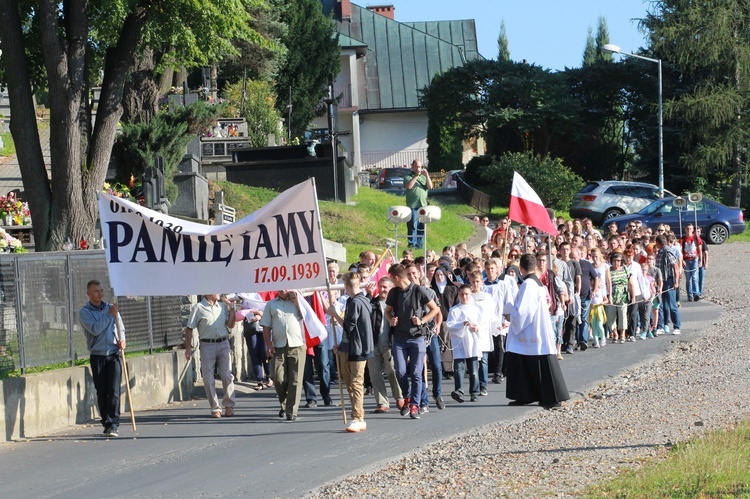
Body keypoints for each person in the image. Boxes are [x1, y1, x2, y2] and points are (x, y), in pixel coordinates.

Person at [505, 254, 570, 409]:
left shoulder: (528, 285)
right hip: (535, 328)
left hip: (531, 330)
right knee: (524, 360)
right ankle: (525, 395)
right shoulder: (537, 283)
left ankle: (552, 398)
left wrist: (511, 316)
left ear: (520, 268)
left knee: (539, 361)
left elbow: (524, 312)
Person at [385, 263, 440, 420]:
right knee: (400, 371)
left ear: (396, 277)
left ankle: (415, 404)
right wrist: (391, 320)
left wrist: (422, 320)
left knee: (416, 372)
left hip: (417, 338)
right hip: (399, 339)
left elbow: (435, 309)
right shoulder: (394, 293)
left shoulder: (419, 290)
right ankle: (408, 397)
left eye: (391, 279)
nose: (391, 282)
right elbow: (387, 311)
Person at [327, 272, 374, 432]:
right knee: (351, 384)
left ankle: (357, 417)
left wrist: (334, 315)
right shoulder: (357, 301)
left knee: (355, 383)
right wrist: (340, 344)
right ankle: (359, 414)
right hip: (350, 346)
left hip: (358, 348)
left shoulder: (357, 302)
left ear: (346, 287)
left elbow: (348, 326)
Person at [80, 280, 126, 437]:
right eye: (96, 291)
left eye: (101, 290)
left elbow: (120, 326)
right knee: (102, 391)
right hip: (98, 355)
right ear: (89, 294)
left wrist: (122, 339)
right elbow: (95, 329)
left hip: (114, 354)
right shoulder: (84, 312)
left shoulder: (110, 308)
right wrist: (109, 315)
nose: (100, 294)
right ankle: (106, 422)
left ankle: (114, 423)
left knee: (114, 389)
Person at [185, 293, 237, 419]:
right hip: (207, 345)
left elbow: (230, 325)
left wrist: (232, 309)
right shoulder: (198, 308)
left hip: (223, 343)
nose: (219, 293)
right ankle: (215, 408)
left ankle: (229, 406)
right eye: (216, 291)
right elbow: (189, 328)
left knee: (226, 375)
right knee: (208, 379)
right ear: (208, 293)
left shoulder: (222, 307)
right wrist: (188, 348)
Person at [260, 290, 306, 421]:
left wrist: (297, 300)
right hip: (278, 345)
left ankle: (292, 411)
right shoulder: (271, 304)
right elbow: (266, 327)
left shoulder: (298, 302)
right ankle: (284, 403)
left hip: (297, 344)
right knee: (278, 378)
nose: (283, 289)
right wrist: (268, 344)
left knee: (295, 380)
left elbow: (307, 316)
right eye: (280, 287)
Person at [368, 276, 404, 413]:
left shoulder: (396, 304)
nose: (382, 289)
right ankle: (382, 403)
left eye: (385, 287)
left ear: (391, 288)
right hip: (373, 343)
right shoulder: (372, 303)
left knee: (392, 370)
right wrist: (369, 295)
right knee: (375, 374)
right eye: (380, 286)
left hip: (390, 343)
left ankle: (399, 396)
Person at [445, 284, 482, 403]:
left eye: (466, 294)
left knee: (473, 370)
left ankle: (474, 391)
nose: (464, 296)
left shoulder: (476, 308)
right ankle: (459, 391)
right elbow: (449, 326)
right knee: (459, 368)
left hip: (472, 342)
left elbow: (482, 323)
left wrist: (477, 327)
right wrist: (462, 324)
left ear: (470, 294)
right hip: (459, 342)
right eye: (462, 294)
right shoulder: (455, 310)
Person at [404, 159, 433, 249]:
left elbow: (430, 187)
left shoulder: (423, 178)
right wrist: (416, 176)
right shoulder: (408, 177)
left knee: (422, 226)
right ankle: (412, 243)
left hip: (423, 205)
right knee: (412, 225)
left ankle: (419, 245)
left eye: (419, 167)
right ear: (412, 167)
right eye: (416, 167)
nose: (418, 169)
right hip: (413, 205)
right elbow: (409, 186)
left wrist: (427, 175)